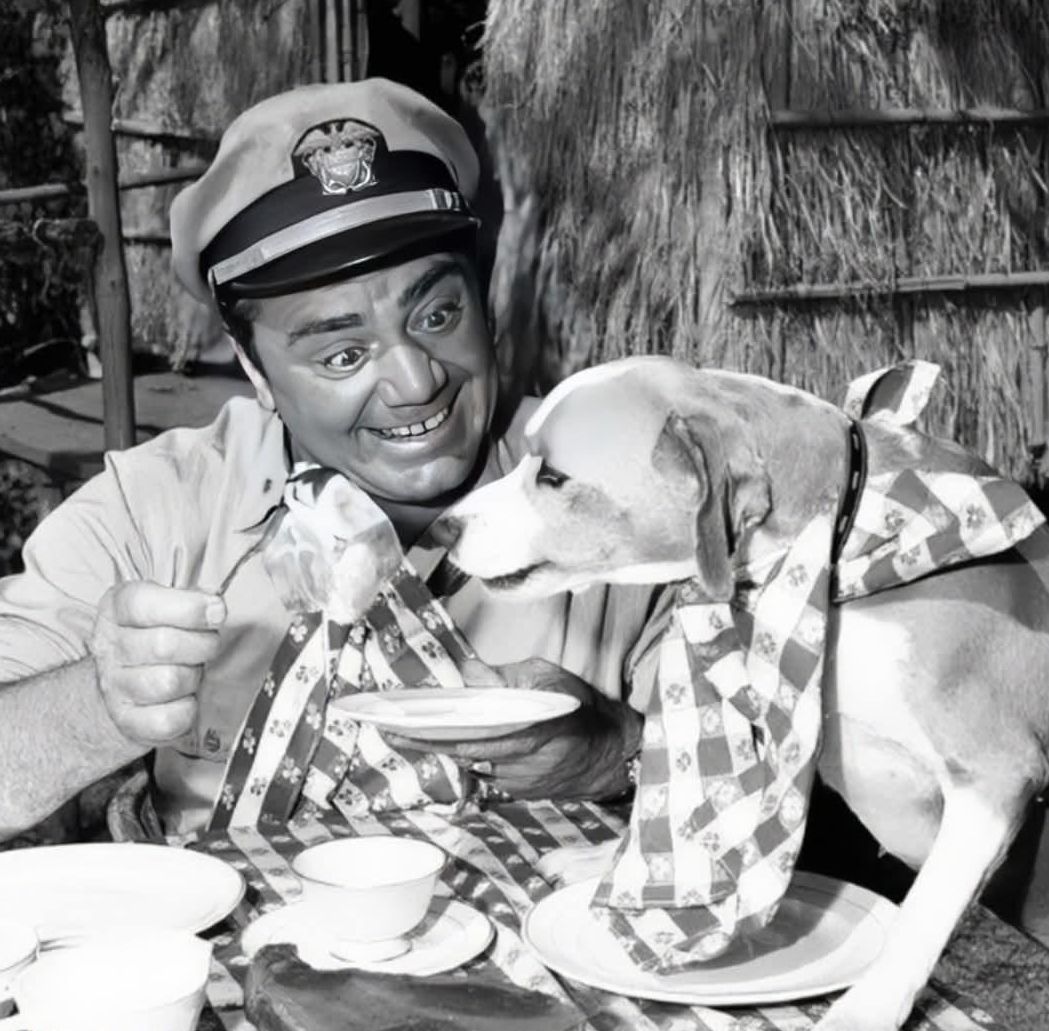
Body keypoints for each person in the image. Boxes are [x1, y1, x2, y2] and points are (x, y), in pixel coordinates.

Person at [0, 78, 659, 838]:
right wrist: (96, 704)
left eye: (438, 314)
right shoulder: (160, 511)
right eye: (344, 354)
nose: (417, 382)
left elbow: (759, 769)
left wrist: (612, 752)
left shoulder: (619, 483)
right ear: (255, 371)